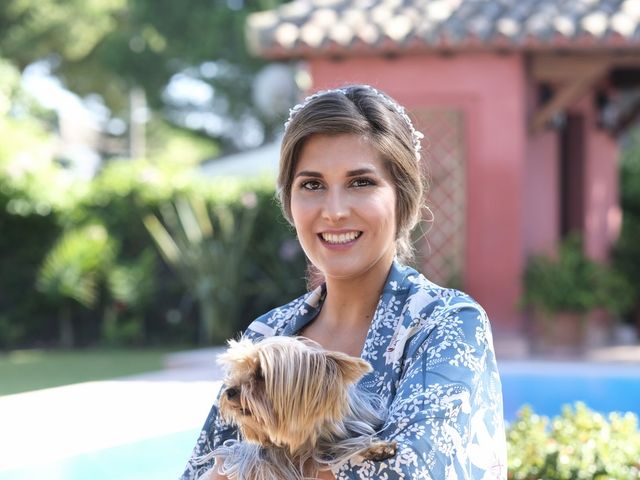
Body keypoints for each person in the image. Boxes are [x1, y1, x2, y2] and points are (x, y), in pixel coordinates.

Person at [180, 84, 507, 480]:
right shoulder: (267, 333)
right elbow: (200, 469)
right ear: (289, 202)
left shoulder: (446, 324)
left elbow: (415, 471)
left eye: (361, 182)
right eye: (312, 185)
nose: (334, 211)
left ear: (402, 198)